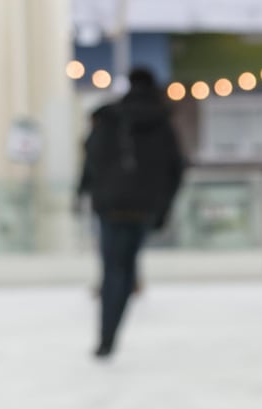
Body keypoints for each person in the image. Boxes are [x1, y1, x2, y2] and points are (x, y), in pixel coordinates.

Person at [76, 66, 185, 359]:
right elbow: (176, 168)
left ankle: (106, 336)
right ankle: (111, 330)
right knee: (125, 267)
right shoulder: (161, 122)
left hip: (110, 205)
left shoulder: (109, 118)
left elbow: (91, 159)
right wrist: (162, 208)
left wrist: (84, 192)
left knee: (113, 268)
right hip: (143, 207)